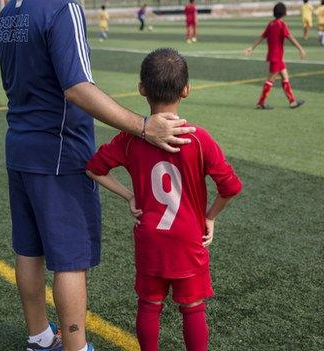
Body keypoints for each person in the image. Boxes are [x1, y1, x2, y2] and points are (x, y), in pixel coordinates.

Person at [0, 1, 196, 350]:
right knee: (70, 259)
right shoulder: (62, 8)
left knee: (29, 250)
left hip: (20, 147)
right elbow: (77, 87)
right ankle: (76, 347)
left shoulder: (8, 12)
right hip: (59, 153)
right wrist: (143, 126)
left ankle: (39, 338)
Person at [85, 48, 243, 351]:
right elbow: (231, 187)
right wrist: (210, 216)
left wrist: (129, 195)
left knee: (149, 305)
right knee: (193, 308)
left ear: (142, 89)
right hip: (188, 239)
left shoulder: (131, 138)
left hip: (150, 239)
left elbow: (94, 168)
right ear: (186, 90)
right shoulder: (198, 138)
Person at [244, 2, 306, 110]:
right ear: (284, 13)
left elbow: (262, 36)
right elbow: (290, 37)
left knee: (285, 77)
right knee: (270, 81)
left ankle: (292, 101)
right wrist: (300, 48)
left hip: (277, 57)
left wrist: (251, 47)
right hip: (277, 57)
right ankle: (261, 103)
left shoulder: (271, 24)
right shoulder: (281, 25)